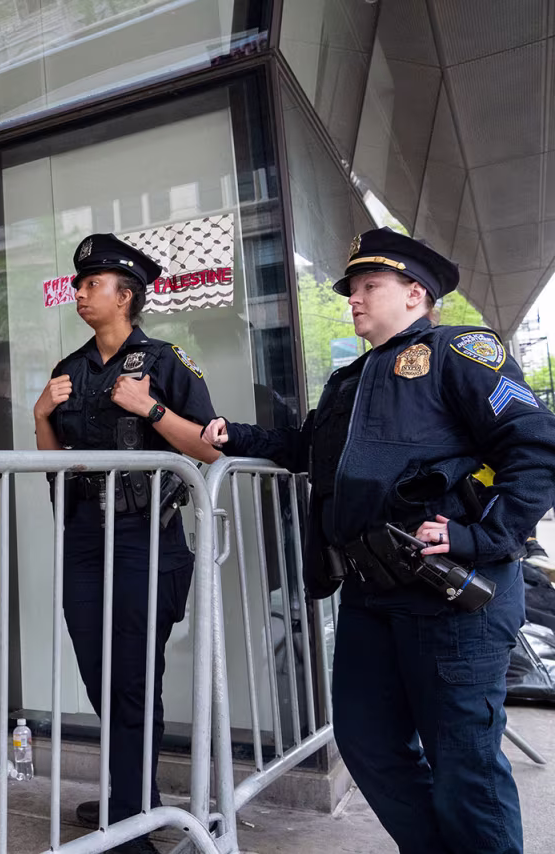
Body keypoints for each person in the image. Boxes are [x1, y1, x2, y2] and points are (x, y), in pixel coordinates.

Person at [201, 228, 555, 854]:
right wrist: (236, 436)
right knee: (367, 744)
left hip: (446, 594)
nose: (354, 300)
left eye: (370, 286)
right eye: (352, 289)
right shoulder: (349, 380)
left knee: (463, 767)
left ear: (416, 293)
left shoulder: (460, 351)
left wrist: (480, 536)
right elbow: (304, 447)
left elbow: (535, 448)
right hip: (370, 594)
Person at [32, 234, 220, 854]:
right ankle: (133, 801)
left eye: (93, 284)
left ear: (126, 296)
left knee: (134, 678)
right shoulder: (69, 370)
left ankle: (130, 823)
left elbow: (210, 448)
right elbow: (56, 465)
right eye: (79, 283)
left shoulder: (166, 362)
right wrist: (40, 418)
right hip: (85, 535)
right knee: (99, 675)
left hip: (147, 538)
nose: (80, 292)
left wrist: (151, 409)